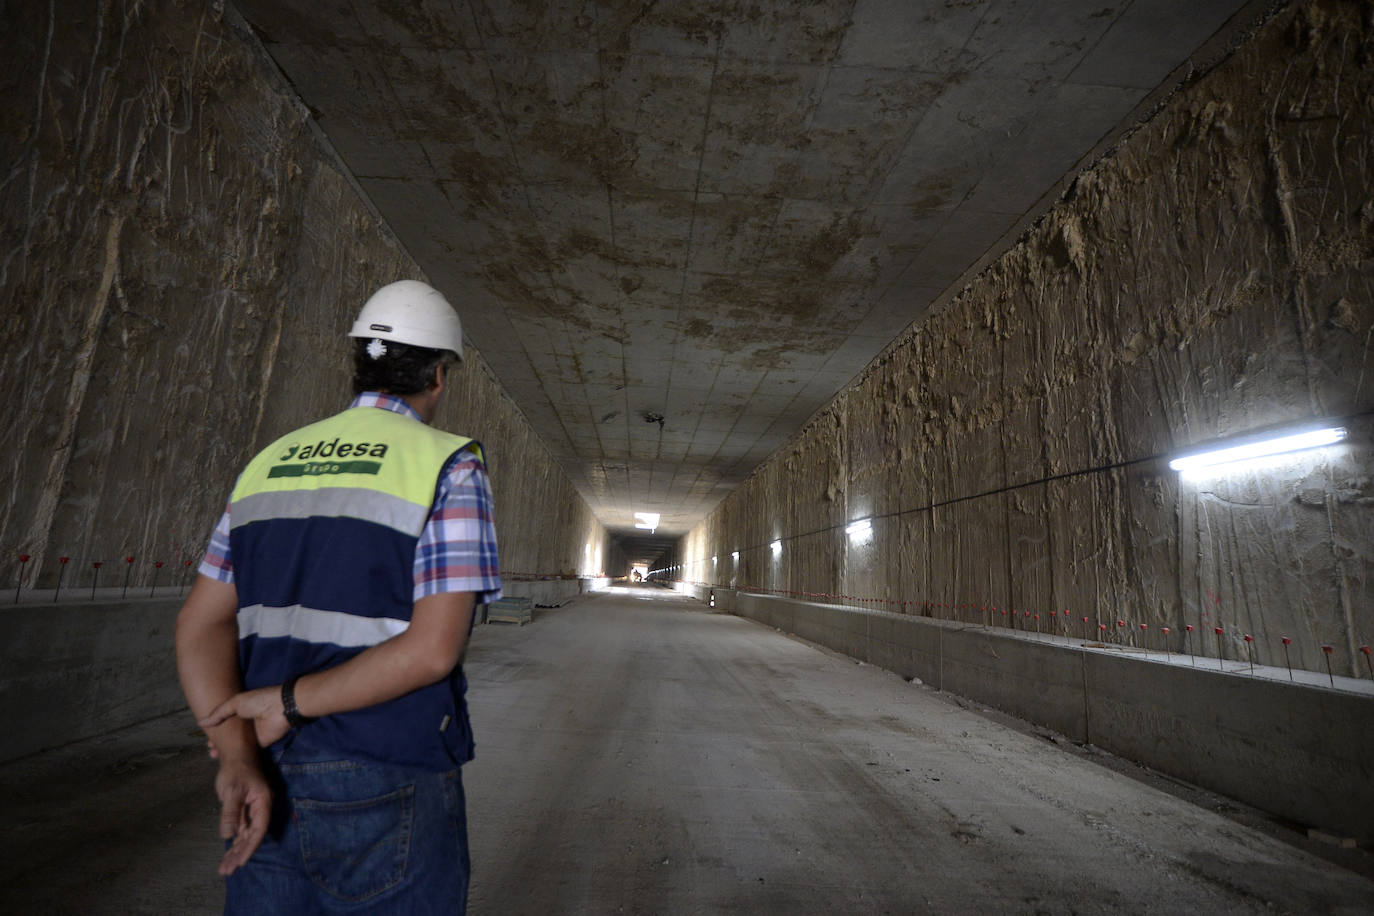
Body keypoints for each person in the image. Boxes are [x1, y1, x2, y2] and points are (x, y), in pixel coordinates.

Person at [175, 279, 501, 914]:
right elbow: (433, 649)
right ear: (438, 375)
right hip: (385, 772)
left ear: (357, 367)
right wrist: (289, 704)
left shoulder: (268, 464)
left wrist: (238, 755)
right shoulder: (448, 465)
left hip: (267, 774)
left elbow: (198, 623)